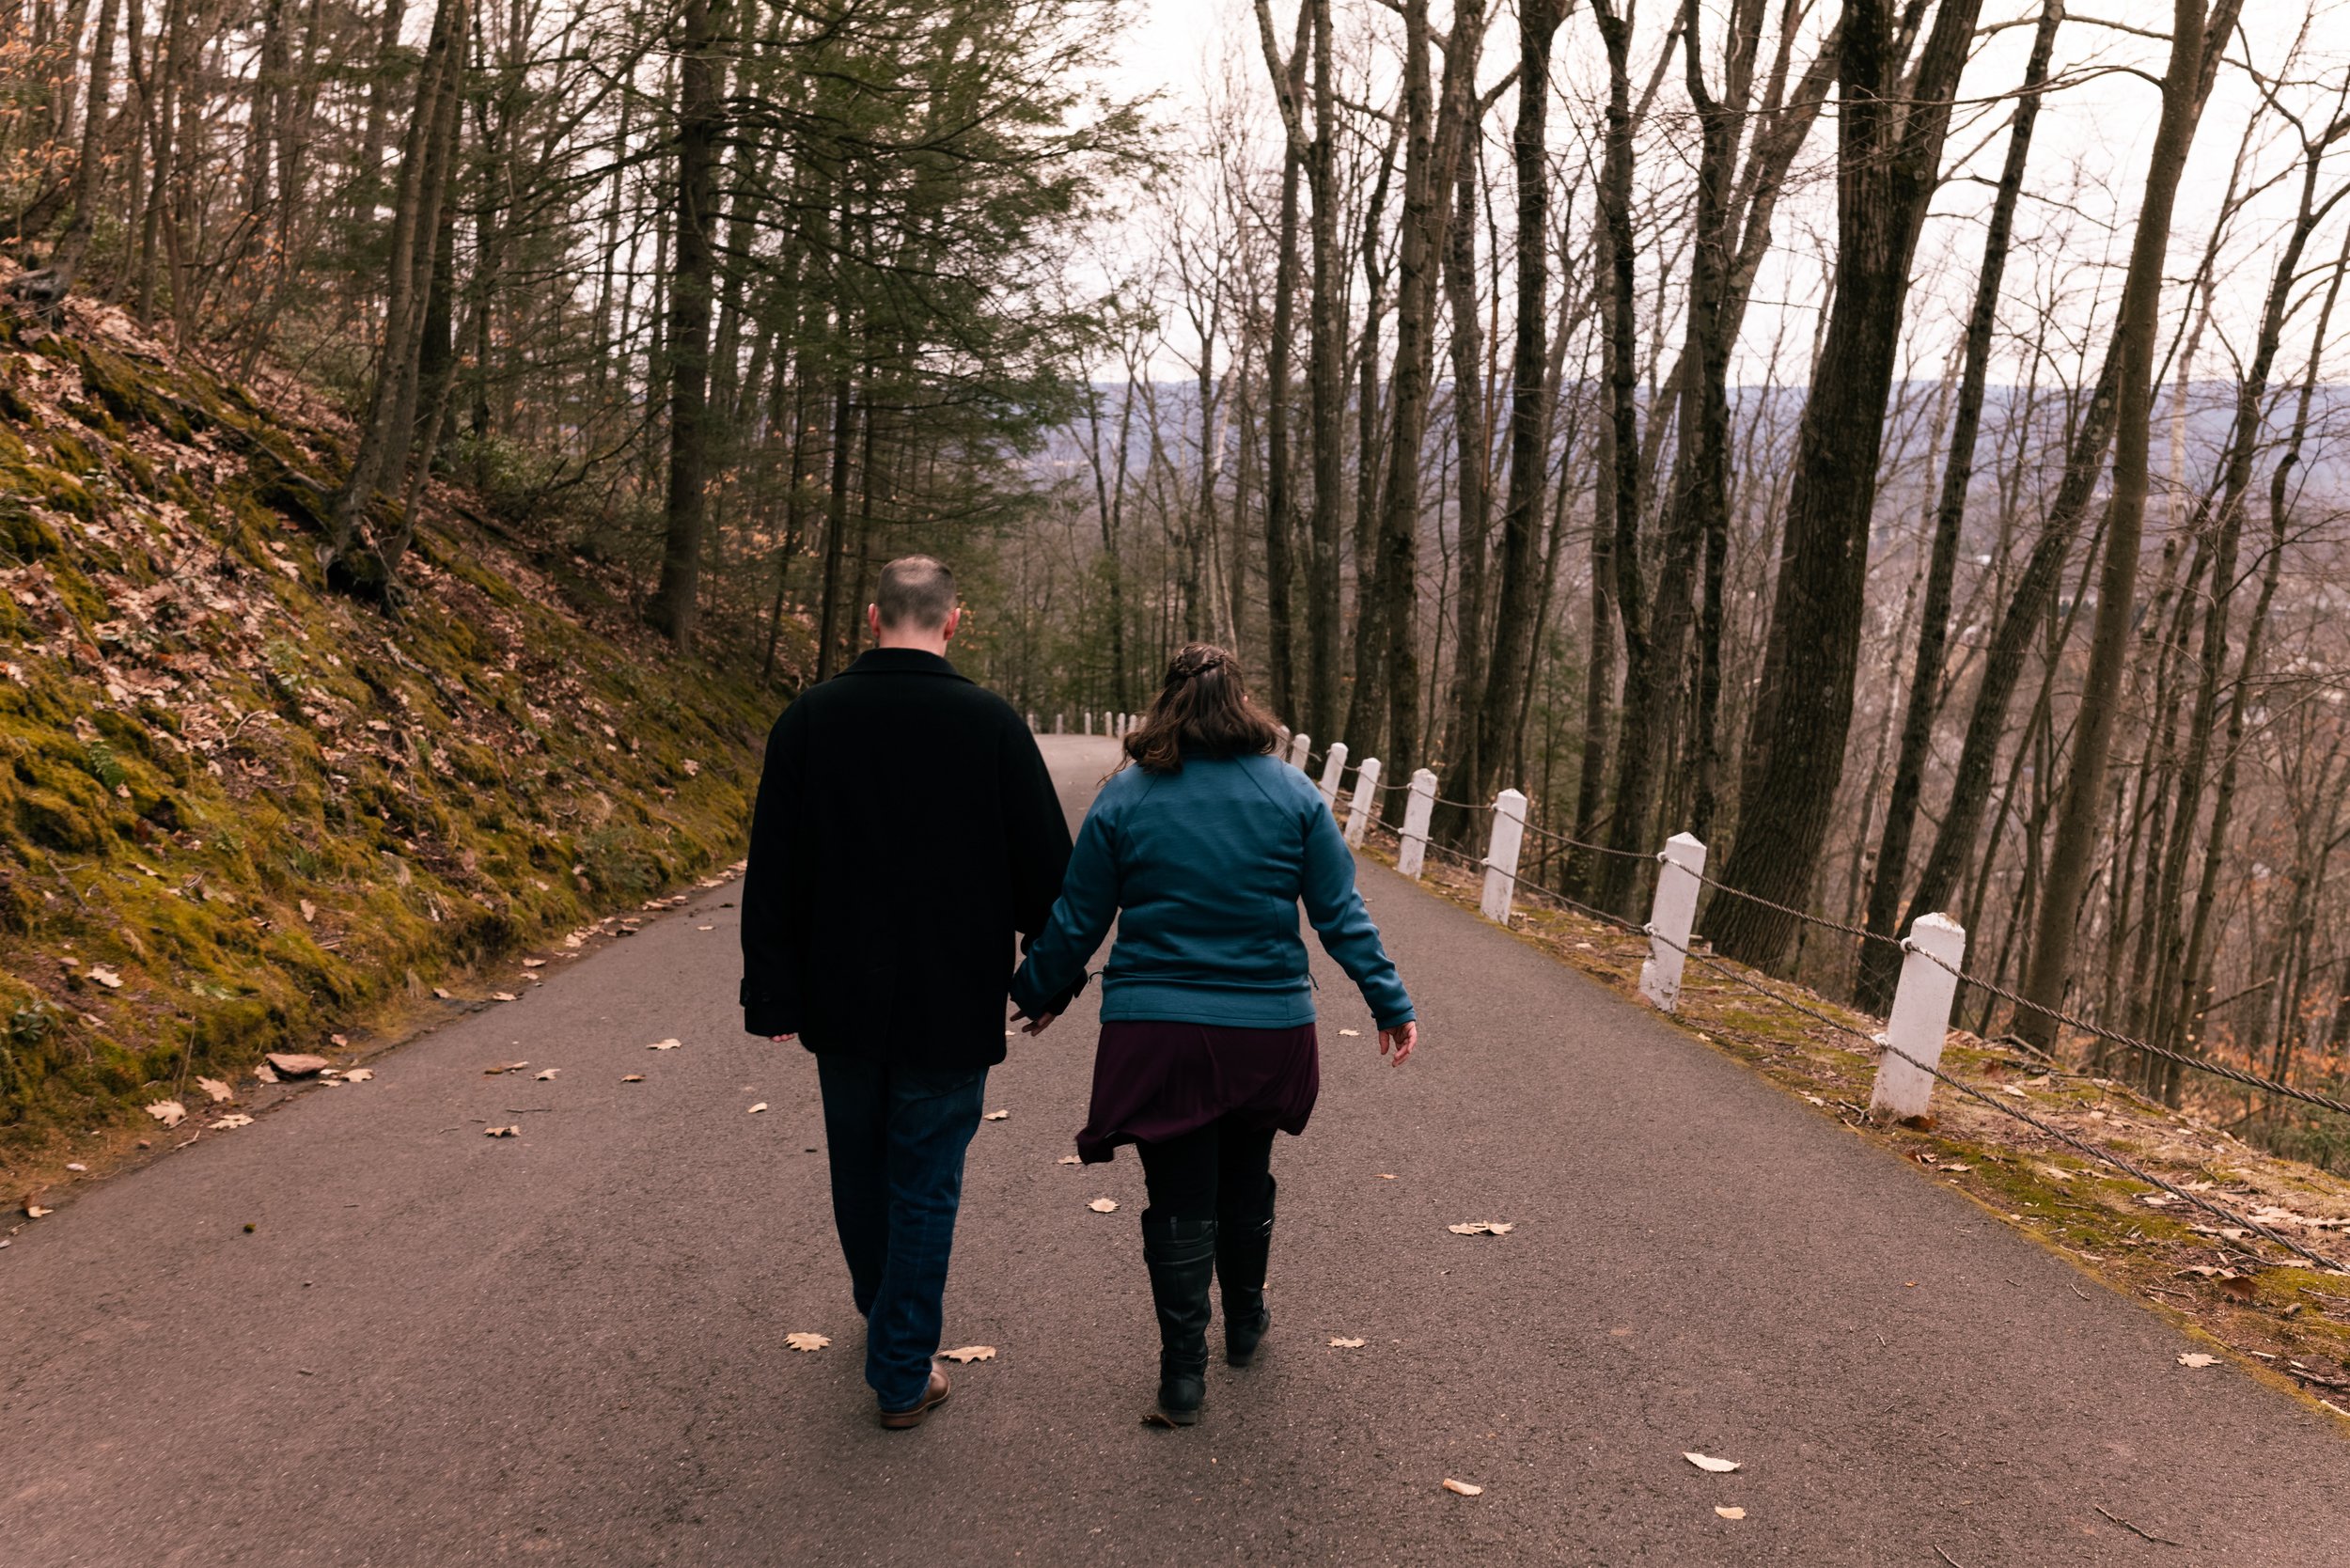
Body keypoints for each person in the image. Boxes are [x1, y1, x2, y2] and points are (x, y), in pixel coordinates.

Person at [1009, 643, 1416, 1427]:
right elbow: (1340, 915)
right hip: (1268, 1031)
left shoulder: (1127, 796)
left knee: (1177, 1194)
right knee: (1246, 1173)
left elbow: (1078, 918)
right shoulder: (1293, 793)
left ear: (1166, 705)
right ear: (1245, 704)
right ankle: (1246, 1323)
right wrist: (1388, 1001)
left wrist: (1038, 989)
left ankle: (1182, 1374)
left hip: (1158, 1032)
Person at [740, 556, 1076, 1430]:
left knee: (859, 1164)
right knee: (925, 1179)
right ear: (953, 622)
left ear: (871, 615)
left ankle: (884, 1315)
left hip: (837, 995)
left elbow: (772, 869)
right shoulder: (990, 724)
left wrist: (773, 992)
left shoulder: (809, 719)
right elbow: (1050, 872)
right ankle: (899, 1370)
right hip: (950, 998)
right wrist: (1050, 978)